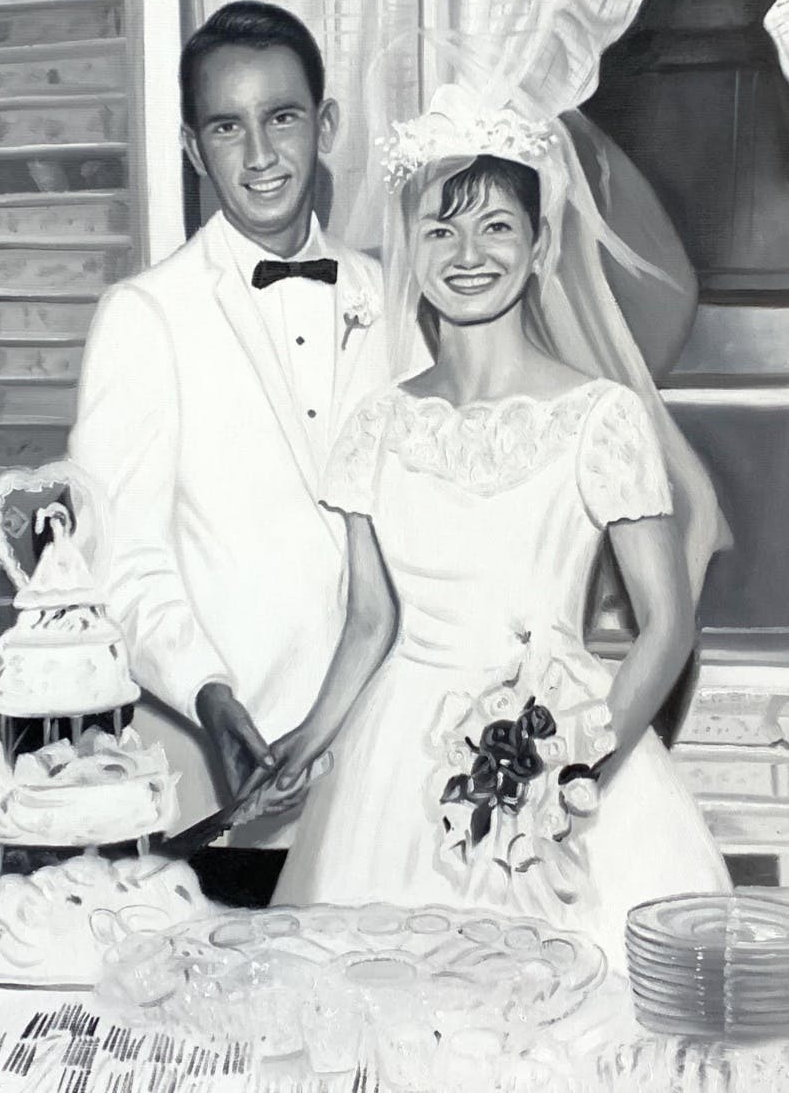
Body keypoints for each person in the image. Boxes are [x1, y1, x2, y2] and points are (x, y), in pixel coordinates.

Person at [266, 85, 732, 968]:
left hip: (560, 739)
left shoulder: (601, 417)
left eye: (496, 227)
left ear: (541, 244)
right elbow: (371, 620)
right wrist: (306, 740)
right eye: (441, 230)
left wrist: (573, 779)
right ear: (411, 248)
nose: (468, 254)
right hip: (394, 769)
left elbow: (667, 626)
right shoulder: (377, 425)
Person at [68, 1, 400, 842]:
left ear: (326, 124)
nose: (258, 155)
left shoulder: (397, 302)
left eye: (281, 117)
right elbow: (121, 563)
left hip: (386, 753)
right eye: (227, 127)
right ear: (193, 150)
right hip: (222, 763)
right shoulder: (145, 315)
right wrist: (210, 697)